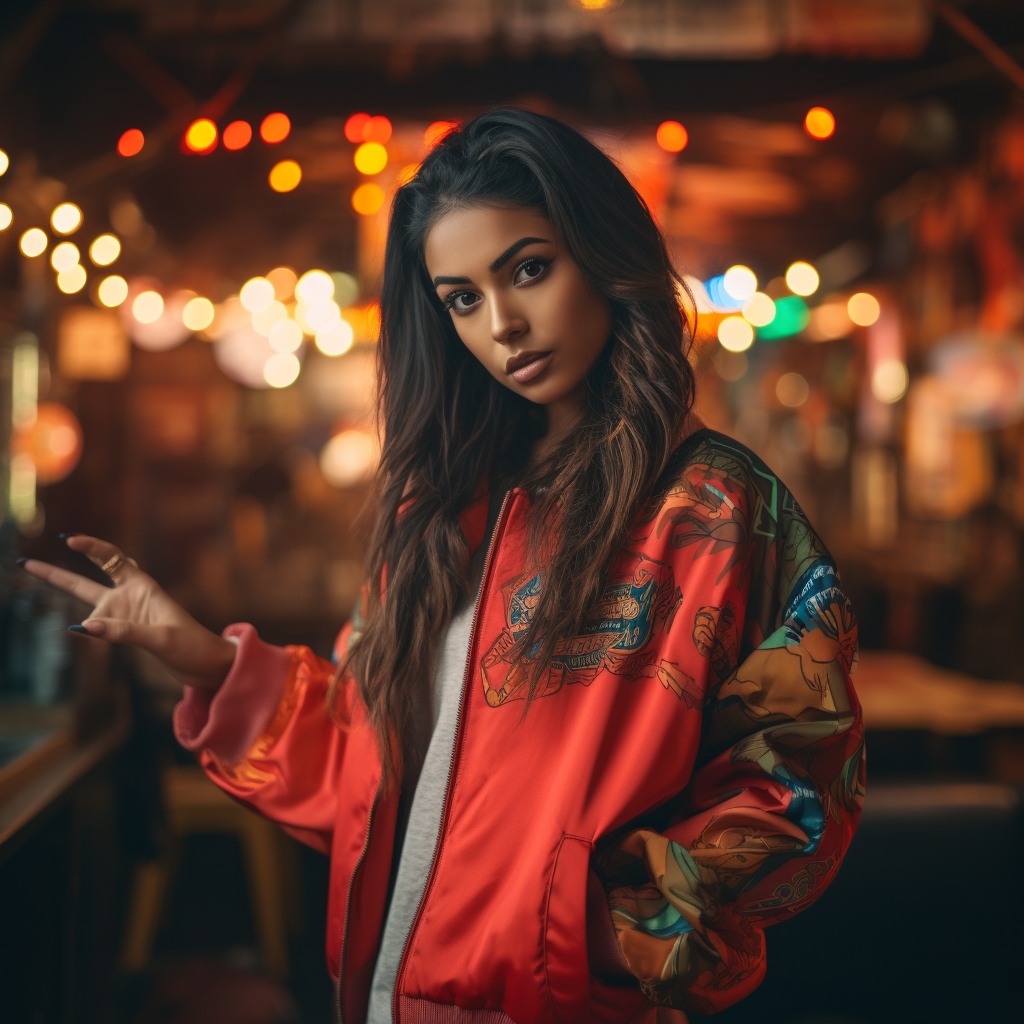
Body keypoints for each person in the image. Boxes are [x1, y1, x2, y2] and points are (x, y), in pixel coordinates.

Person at [20, 109, 864, 1024]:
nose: (502, 324)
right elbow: (364, 764)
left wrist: (600, 925)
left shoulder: (714, 509)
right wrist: (202, 660)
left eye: (529, 269)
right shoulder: (437, 514)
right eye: (461, 297)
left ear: (604, 255)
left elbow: (799, 771)